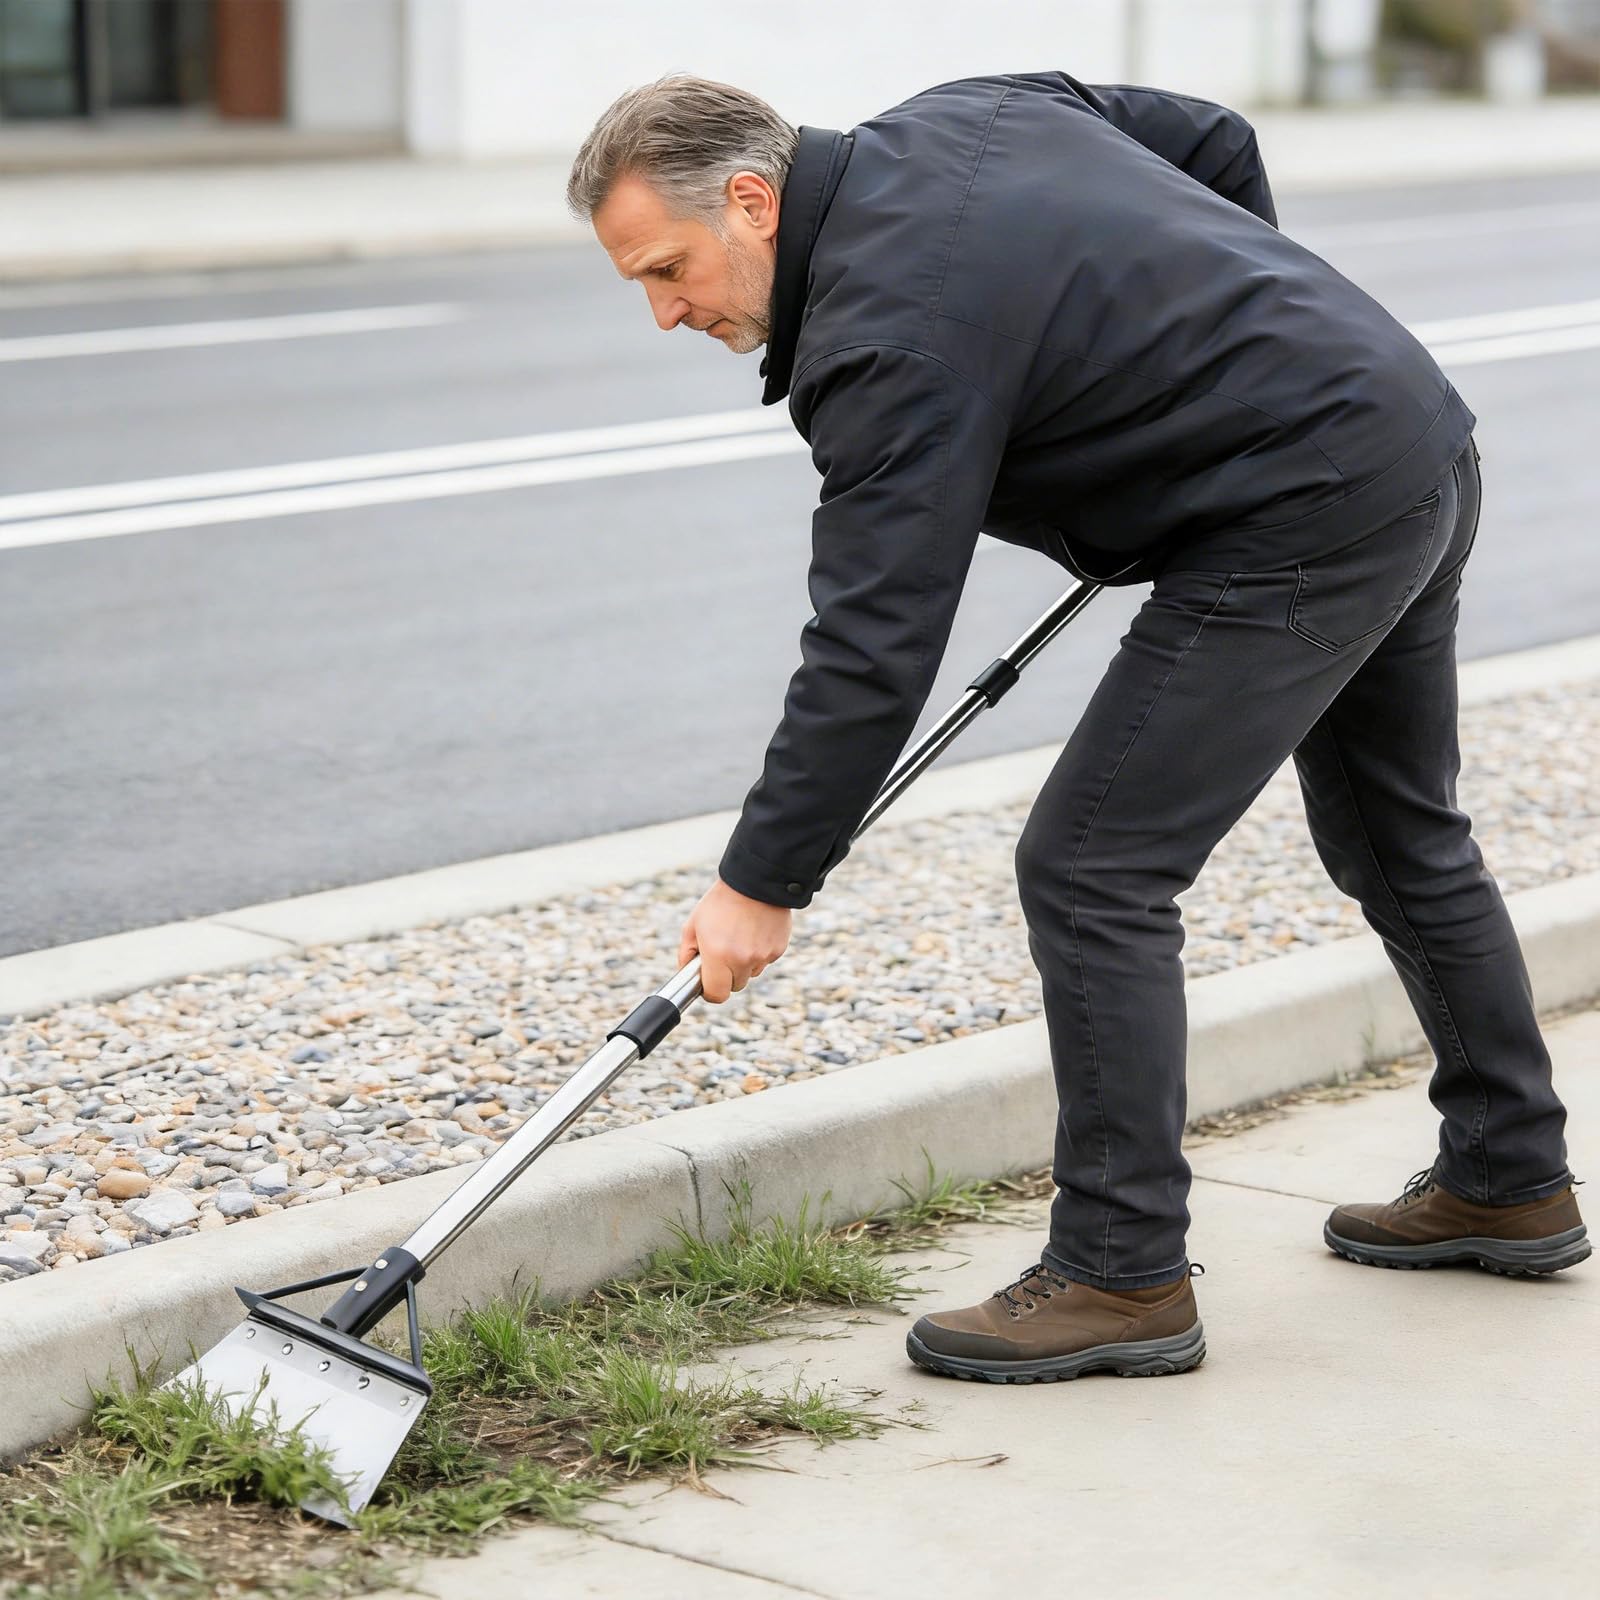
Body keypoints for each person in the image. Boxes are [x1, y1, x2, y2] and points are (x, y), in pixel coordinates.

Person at [565, 71, 1587, 1384]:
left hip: (1305, 513)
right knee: (1400, 831)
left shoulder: (884, 339)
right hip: (1404, 436)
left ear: (754, 202)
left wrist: (761, 881)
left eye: (669, 269)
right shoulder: (976, 112)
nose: (665, 312)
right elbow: (1216, 140)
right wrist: (1239, 350)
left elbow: (875, 641)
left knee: (1093, 865)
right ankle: (1510, 1177)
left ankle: (1121, 1272)